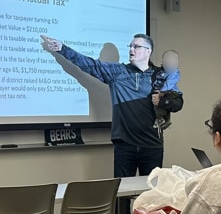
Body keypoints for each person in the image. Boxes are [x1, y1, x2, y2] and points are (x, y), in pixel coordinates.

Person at [41, 33, 162, 178]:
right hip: (125, 145)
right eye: (130, 46)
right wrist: (62, 48)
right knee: (122, 193)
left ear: (148, 51)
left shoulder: (159, 76)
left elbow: (177, 102)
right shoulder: (117, 72)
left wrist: (165, 103)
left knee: (153, 195)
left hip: (152, 146)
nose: (131, 49)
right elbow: (89, 64)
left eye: (136, 46)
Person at [151, 49, 183, 131]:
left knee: (160, 104)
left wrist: (161, 94)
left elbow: (178, 104)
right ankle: (164, 120)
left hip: (171, 93)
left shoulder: (173, 72)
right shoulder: (159, 72)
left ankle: (162, 119)